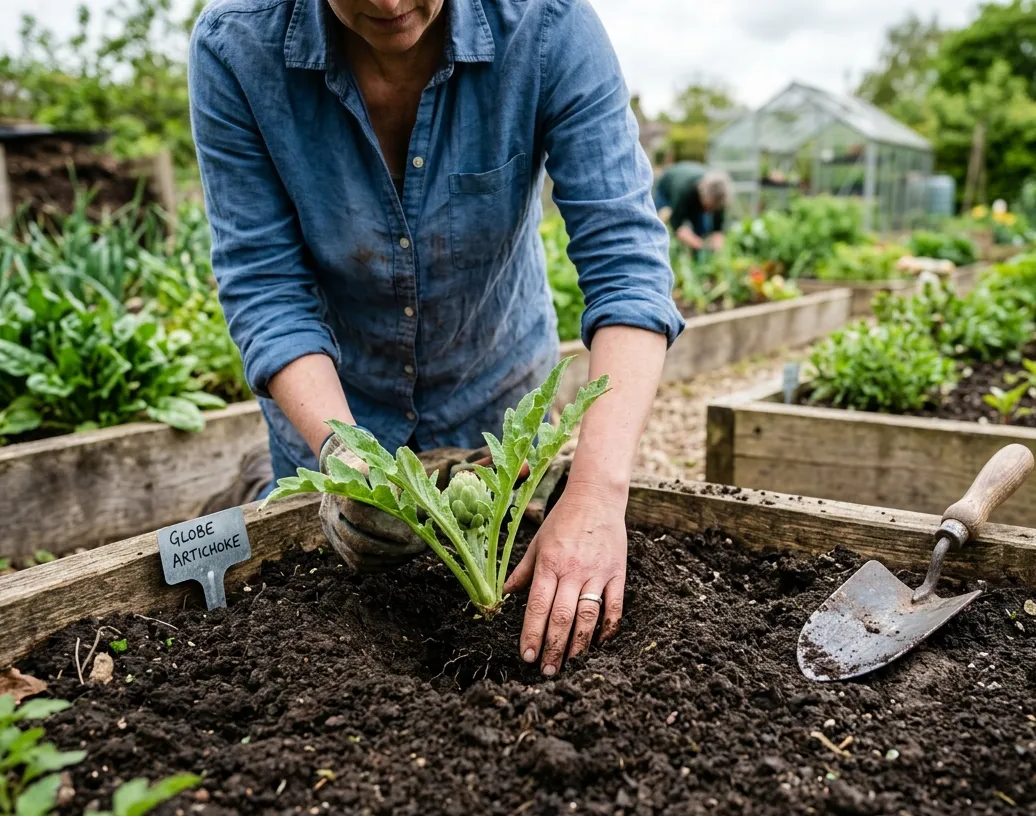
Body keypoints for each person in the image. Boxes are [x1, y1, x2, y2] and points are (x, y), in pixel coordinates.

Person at [188, 0, 684, 677]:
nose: (391, 5)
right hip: (336, 408)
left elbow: (626, 263)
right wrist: (347, 459)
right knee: (320, 651)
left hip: (493, 398)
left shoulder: (548, 27)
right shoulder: (236, 47)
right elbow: (263, 281)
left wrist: (596, 493)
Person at [653, 162, 732, 253]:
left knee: (702, 229)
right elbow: (676, 224)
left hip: (690, 187)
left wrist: (716, 248)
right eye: (708, 207)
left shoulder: (718, 198)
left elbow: (718, 229)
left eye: (713, 208)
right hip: (666, 187)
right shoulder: (684, 191)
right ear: (702, 195)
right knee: (659, 225)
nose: (709, 210)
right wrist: (700, 245)